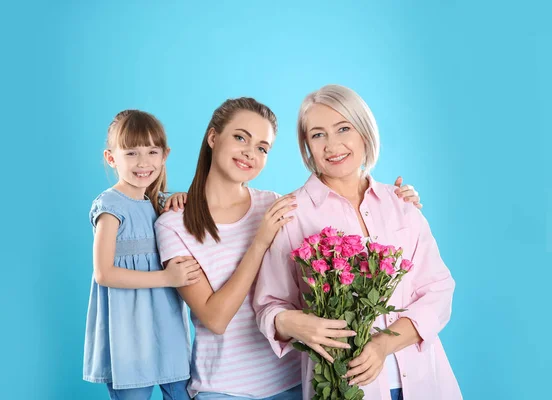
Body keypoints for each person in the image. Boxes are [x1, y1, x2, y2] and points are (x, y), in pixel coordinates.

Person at [155, 97, 422, 399]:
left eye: (262, 147)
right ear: (213, 137)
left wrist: (397, 200)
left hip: (296, 382)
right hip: (225, 388)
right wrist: (260, 240)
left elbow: (337, 216)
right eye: (240, 137)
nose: (249, 152)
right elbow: (215, 319)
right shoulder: (174, 224)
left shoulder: (276, 204)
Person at [253, 85, 462, 400]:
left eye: (343, 128)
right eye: (318, 135)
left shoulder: (401, 204)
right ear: (306, 145)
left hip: (425, 381)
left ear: (364, 132)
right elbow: (270, 307)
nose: (332, 144)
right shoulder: (293, 214)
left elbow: (439, 291)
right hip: (342, 387)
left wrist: (383, 345)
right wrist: (295, 323)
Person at [83, 110, 198, 400]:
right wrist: (167, 277)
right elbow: (104, 272)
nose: (143, 162)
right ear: (112, 158)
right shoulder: (111, 206)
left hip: (167, 326)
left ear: (164, 155)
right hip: (129, 332)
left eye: (152, 151)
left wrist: (178, 200)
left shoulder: (158, 204)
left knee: (181, 392)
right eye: (131, 153)